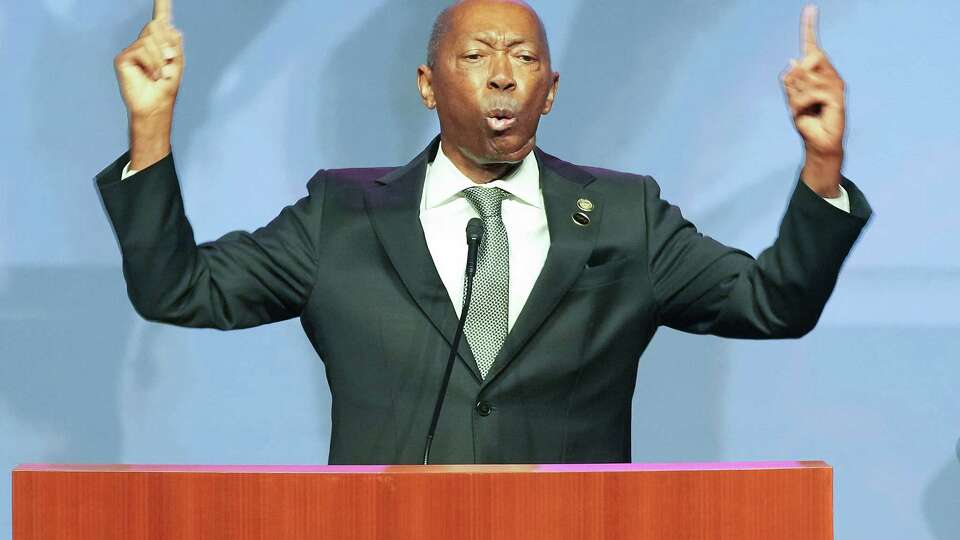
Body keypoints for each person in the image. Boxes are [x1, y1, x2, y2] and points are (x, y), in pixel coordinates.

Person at [97, 0, 871, 464]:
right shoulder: (343, 215)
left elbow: (774, 305)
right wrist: (152, 129)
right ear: (428, 86)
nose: (502, 75)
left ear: (551, 90)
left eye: (524, 57)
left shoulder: (626, 217)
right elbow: (179, 290)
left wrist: (822, 164)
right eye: (475, 56)